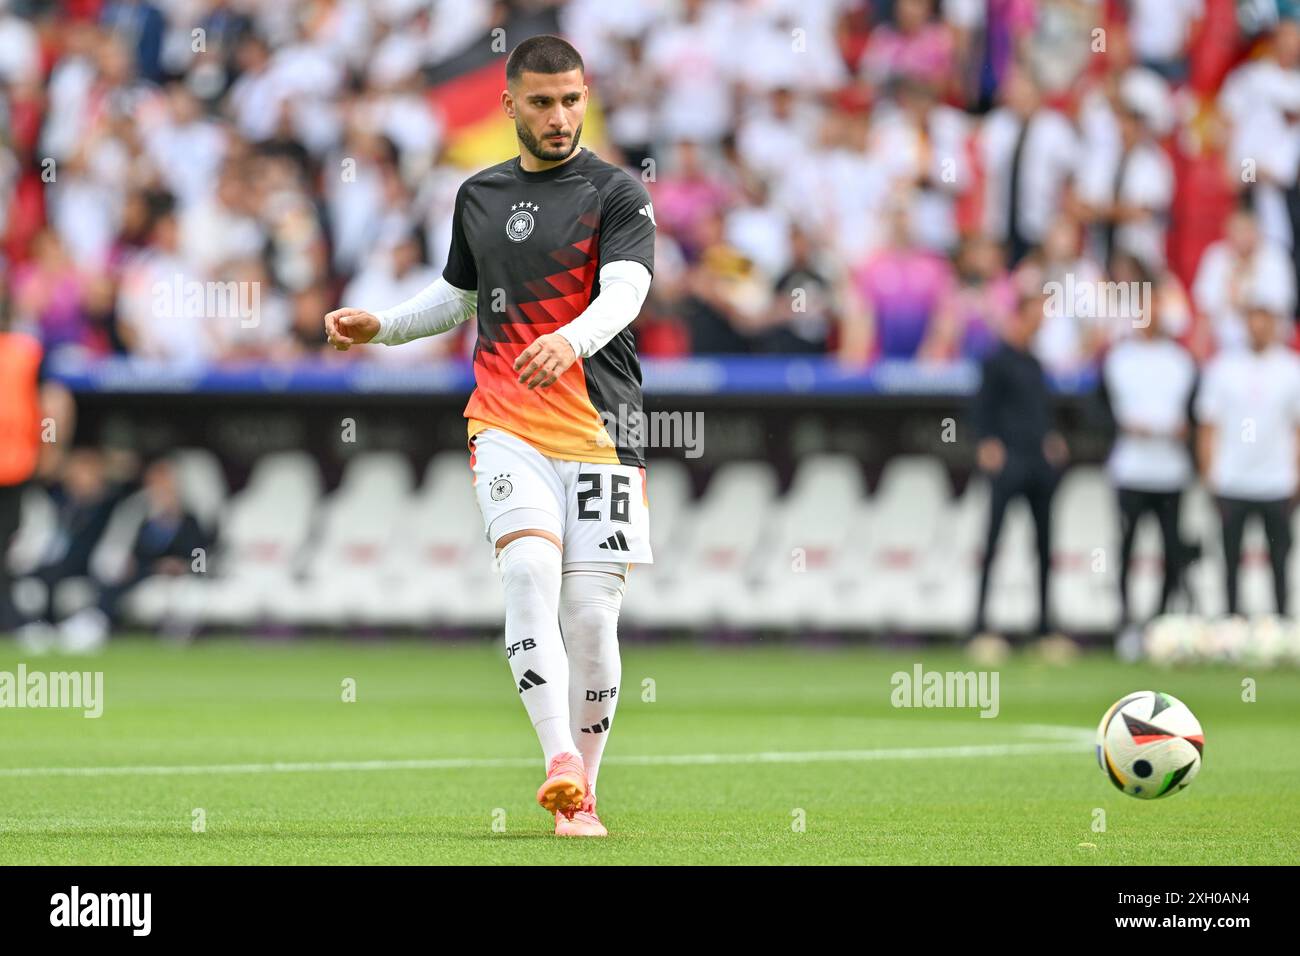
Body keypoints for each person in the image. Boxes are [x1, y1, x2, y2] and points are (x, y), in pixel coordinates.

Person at [323, 36, 655, 838]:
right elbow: (458, 297)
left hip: (603, 428)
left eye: (572, 99)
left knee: (590, 620)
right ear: (510, 105)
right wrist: (383, 326)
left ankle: (586, 796)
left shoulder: (617, 193)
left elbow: (629, 292)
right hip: (505, 419)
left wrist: (568, 340)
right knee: (527, 572)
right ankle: (558, 764)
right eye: (542, 102)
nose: (559, 116)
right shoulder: (477, 195)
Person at [971, 277, 1069, 647]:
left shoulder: (1036, 364)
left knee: (1044, 544)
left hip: (1037, 463)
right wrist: (987, 442)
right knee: (994, 540)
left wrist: (1051, 440)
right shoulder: (997, 360)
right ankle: (980, 626)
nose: (1041, 321)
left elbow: (1040, 413)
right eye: (1036, 314)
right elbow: (980, 408)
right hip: (1008, 461)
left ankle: (1044, 627)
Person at [1099, 302, 1197, 655]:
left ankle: (1161, 624)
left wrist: (1187, 431)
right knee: (1127, 549)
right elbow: (1100, 411)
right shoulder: (1119, 358)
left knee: (1172, 550)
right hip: (1131, 471)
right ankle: (1126, 622)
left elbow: (1196, 414)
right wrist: (1121, 427)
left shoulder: (1180, 361)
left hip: (1170, 472)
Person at [1196, 302, 1300, 617]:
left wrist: (1296, 476)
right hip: (1231, 480)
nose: (1257, 327)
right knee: (1229, 560)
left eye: (1264, 320)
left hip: (1277, 482)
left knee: (1280, 560)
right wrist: (1209, 475)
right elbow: (1208, 426)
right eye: (1252, 320)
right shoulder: (1223, 368)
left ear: (1274, 323)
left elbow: (1297, 428)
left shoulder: (1291, 368)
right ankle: (1230, 624)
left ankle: (1281, 627)